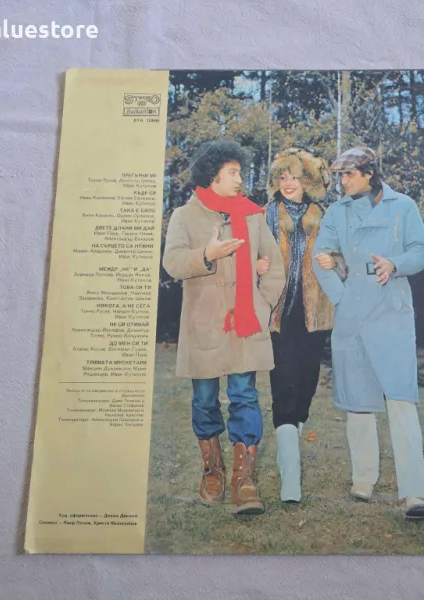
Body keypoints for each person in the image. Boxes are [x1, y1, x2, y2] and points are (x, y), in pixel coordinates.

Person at [162, 140, 285, 515]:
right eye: (233, 172)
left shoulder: (253, 215)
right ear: (212, 176)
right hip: (205, 327)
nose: (240, 179)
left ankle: (244, 479)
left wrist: (263, 305)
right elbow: (172, 263)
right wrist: (207, 255)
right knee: (204, 399)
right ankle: (212, 471)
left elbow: (274, 265)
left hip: (246, 328)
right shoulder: (185, 216)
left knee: (245, 396)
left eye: (240, 172)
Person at [313, 146, 424, 520]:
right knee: (358, 401)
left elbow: (423, 250)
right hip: (352, 313)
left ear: (369, 173)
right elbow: (321, 258)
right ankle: (363, 481)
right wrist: (342, 298)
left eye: (349, 174)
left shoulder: (403, 206)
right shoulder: (336, 212)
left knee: (401, 398)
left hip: (391, 309)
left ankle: (414, 493)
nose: (342, 181)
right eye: (339, 175)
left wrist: (395, 264)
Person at [256, 148, 336, 503]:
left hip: (316, 315)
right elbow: (247, 253)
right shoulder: (264, 215)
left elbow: (343, 256)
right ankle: (292, 481)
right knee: (285, 390)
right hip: (279, 316)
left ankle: (290, 453)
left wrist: (335, 261)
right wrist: (255, 266)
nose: (288, 183)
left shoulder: (326, 216)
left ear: (309, 181)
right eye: (283, 177)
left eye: (296, 177)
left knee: (304, 391)